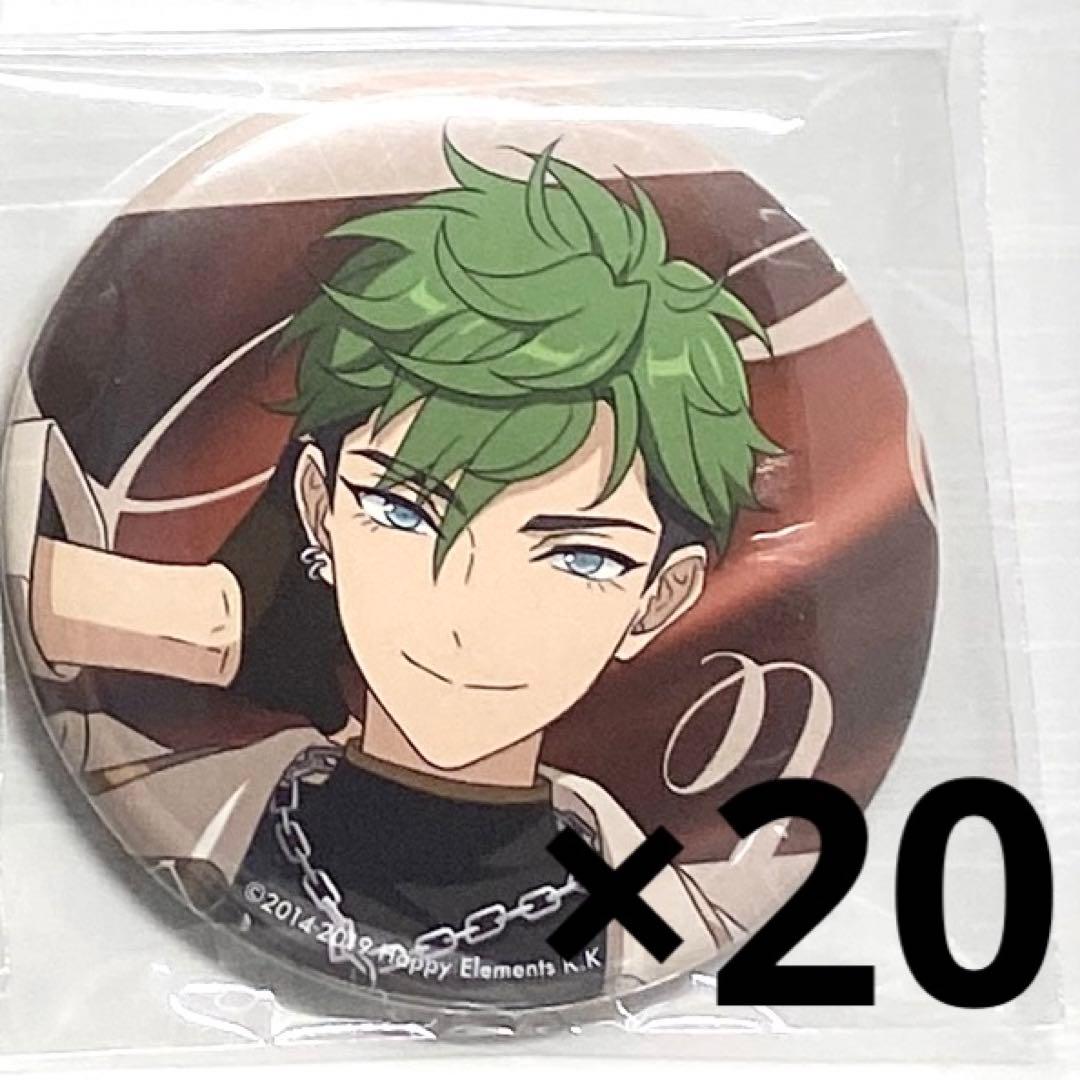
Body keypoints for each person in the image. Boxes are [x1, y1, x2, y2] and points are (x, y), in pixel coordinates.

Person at [5, 137, 785, 1006]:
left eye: (580, 555)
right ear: (319, 507)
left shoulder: (675, 926)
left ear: (658, 597)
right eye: (403, 512)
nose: (466, 620)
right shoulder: (156, 799)